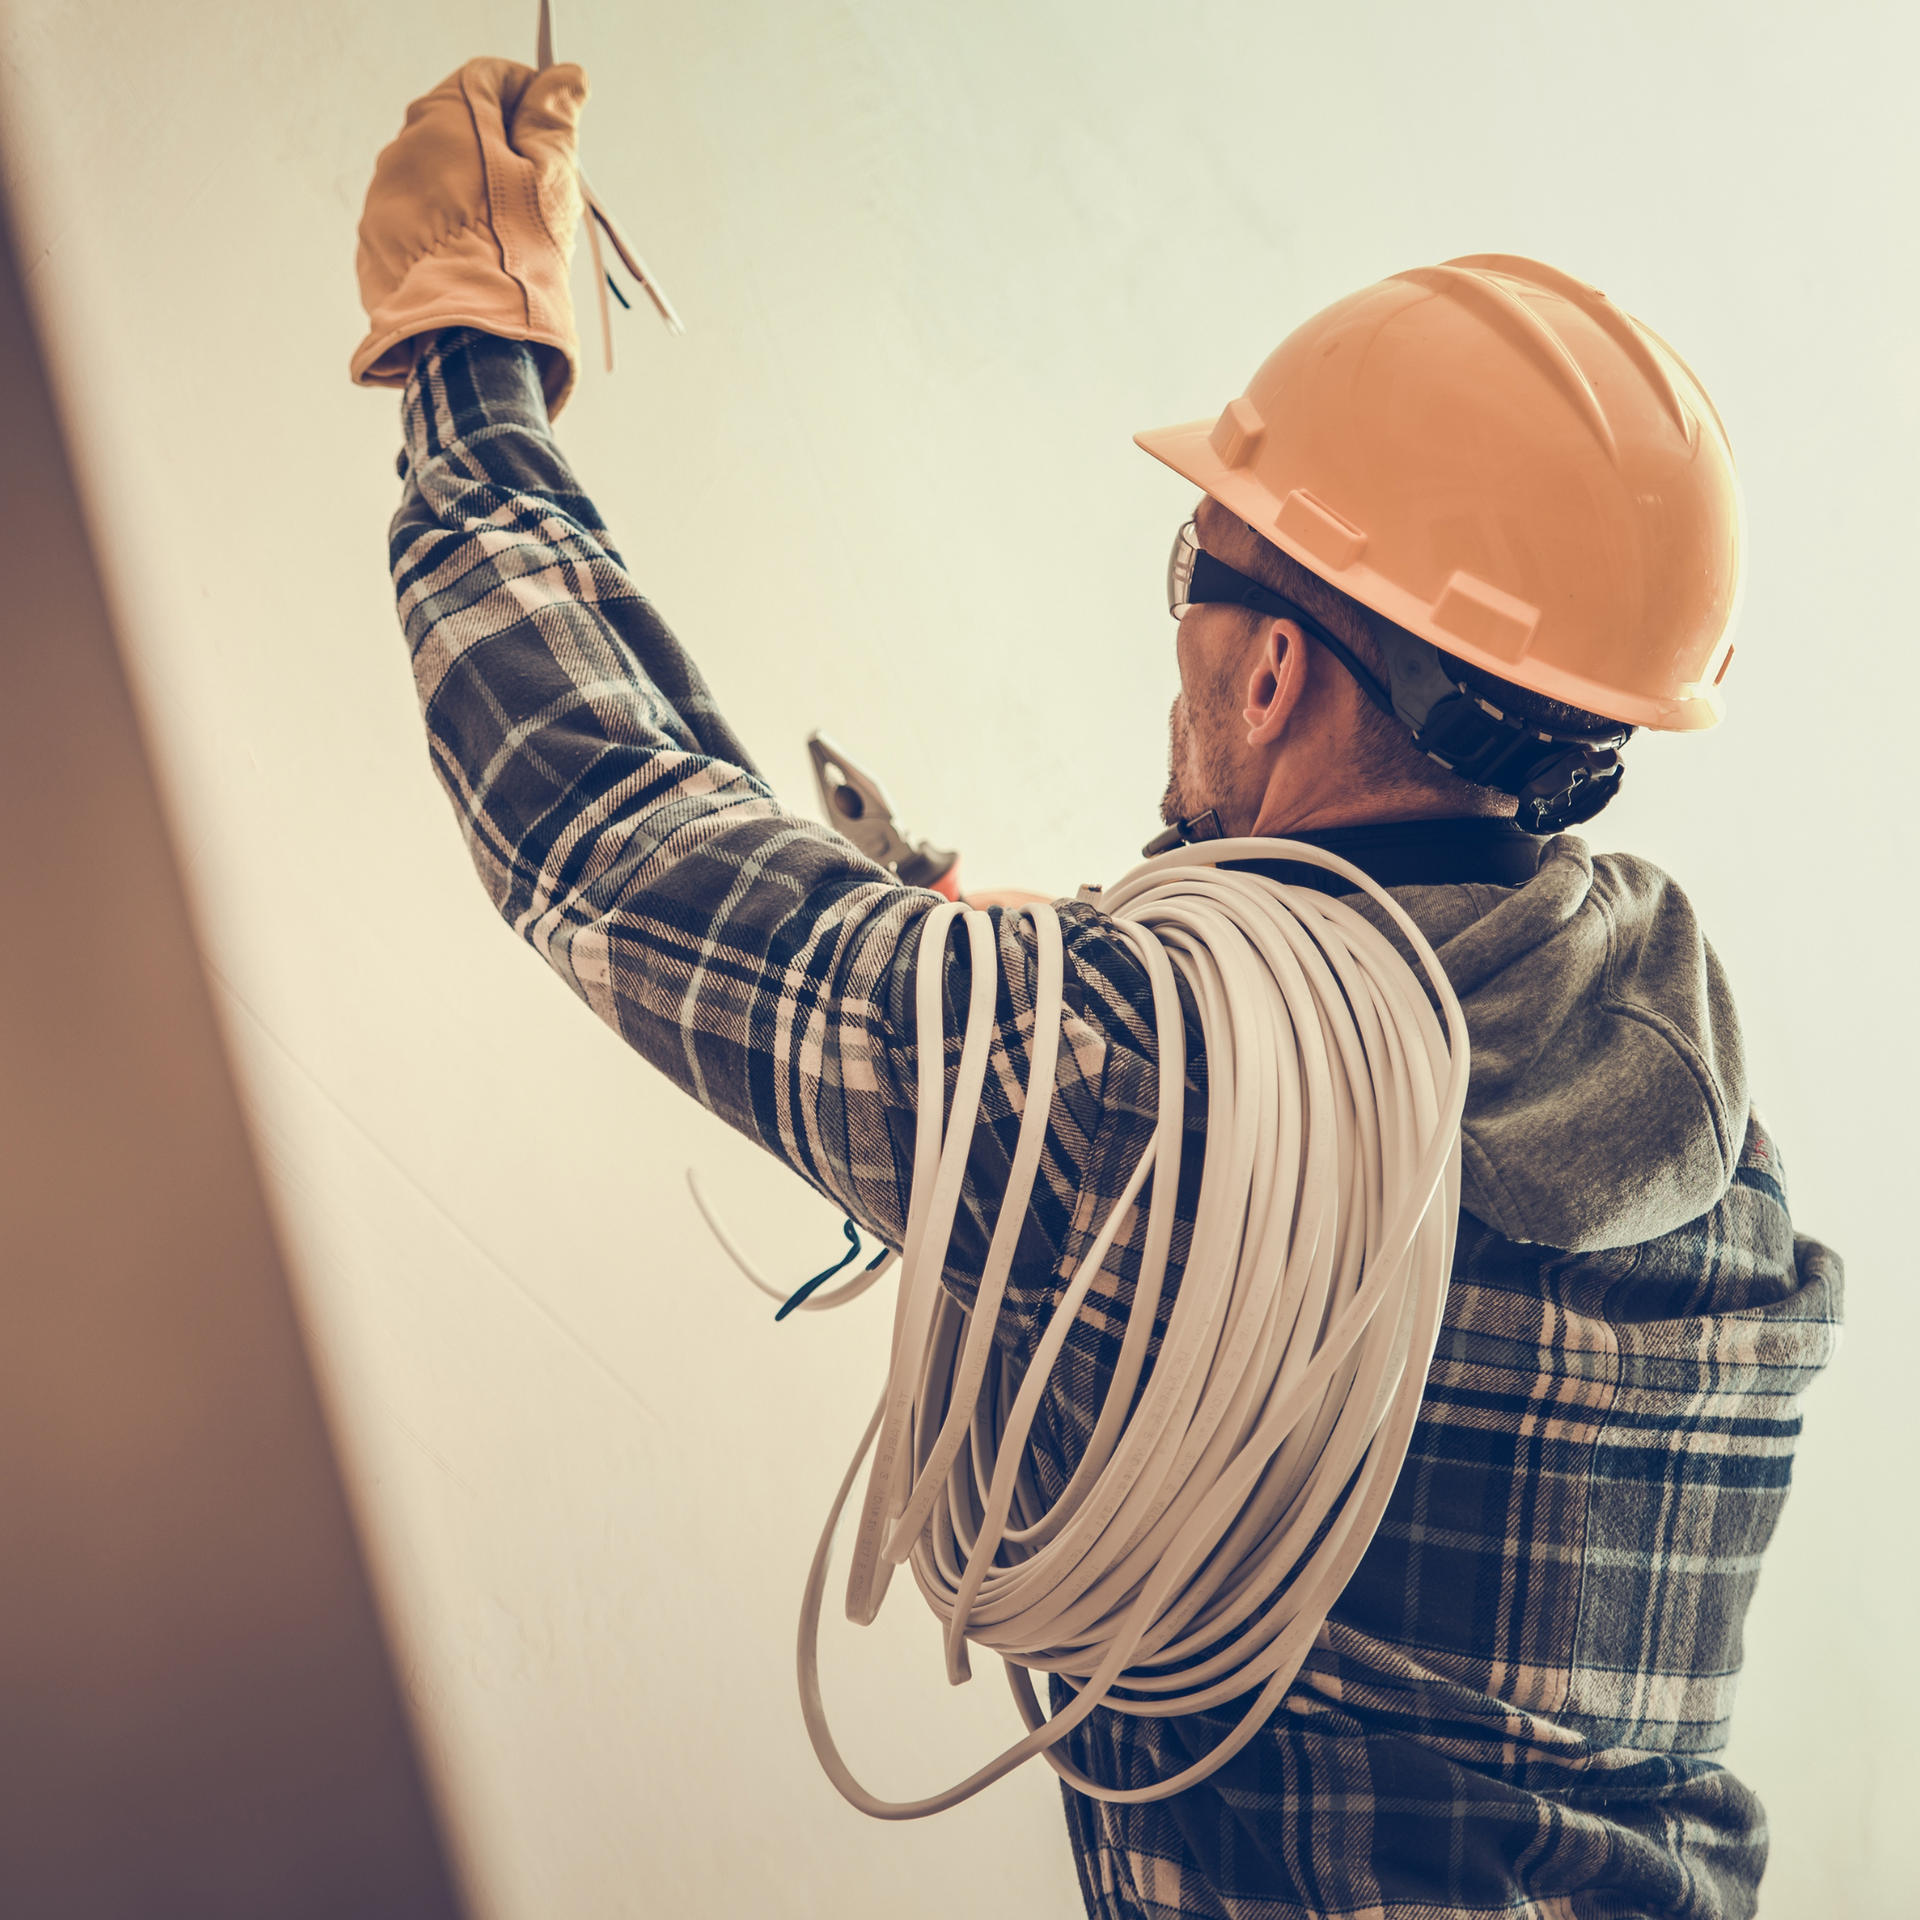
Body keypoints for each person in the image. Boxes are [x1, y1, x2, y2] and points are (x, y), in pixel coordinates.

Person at [351, 59, 1842, 1920]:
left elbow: (597, 822)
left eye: (1193, 576)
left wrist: (470, 362)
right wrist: (1012, 970)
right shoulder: (1721, 1176)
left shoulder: (1128, 1097)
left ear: (1279, 669)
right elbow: (1318, 1129)